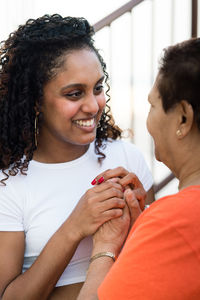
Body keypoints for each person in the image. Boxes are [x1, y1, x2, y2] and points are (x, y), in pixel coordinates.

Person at [0, 14, 154, 300]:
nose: (93, 105)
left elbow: (151, 267)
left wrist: (142, 219)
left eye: (98, 88)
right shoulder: (9, 185)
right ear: (35, 102)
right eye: (74, 94)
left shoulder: (127, 157)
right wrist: (74, 227)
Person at [78, 37, 200, 300]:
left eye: (152, 105)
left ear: (183, 118)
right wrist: (140, 233)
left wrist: (105, 249)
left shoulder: (174, 221)